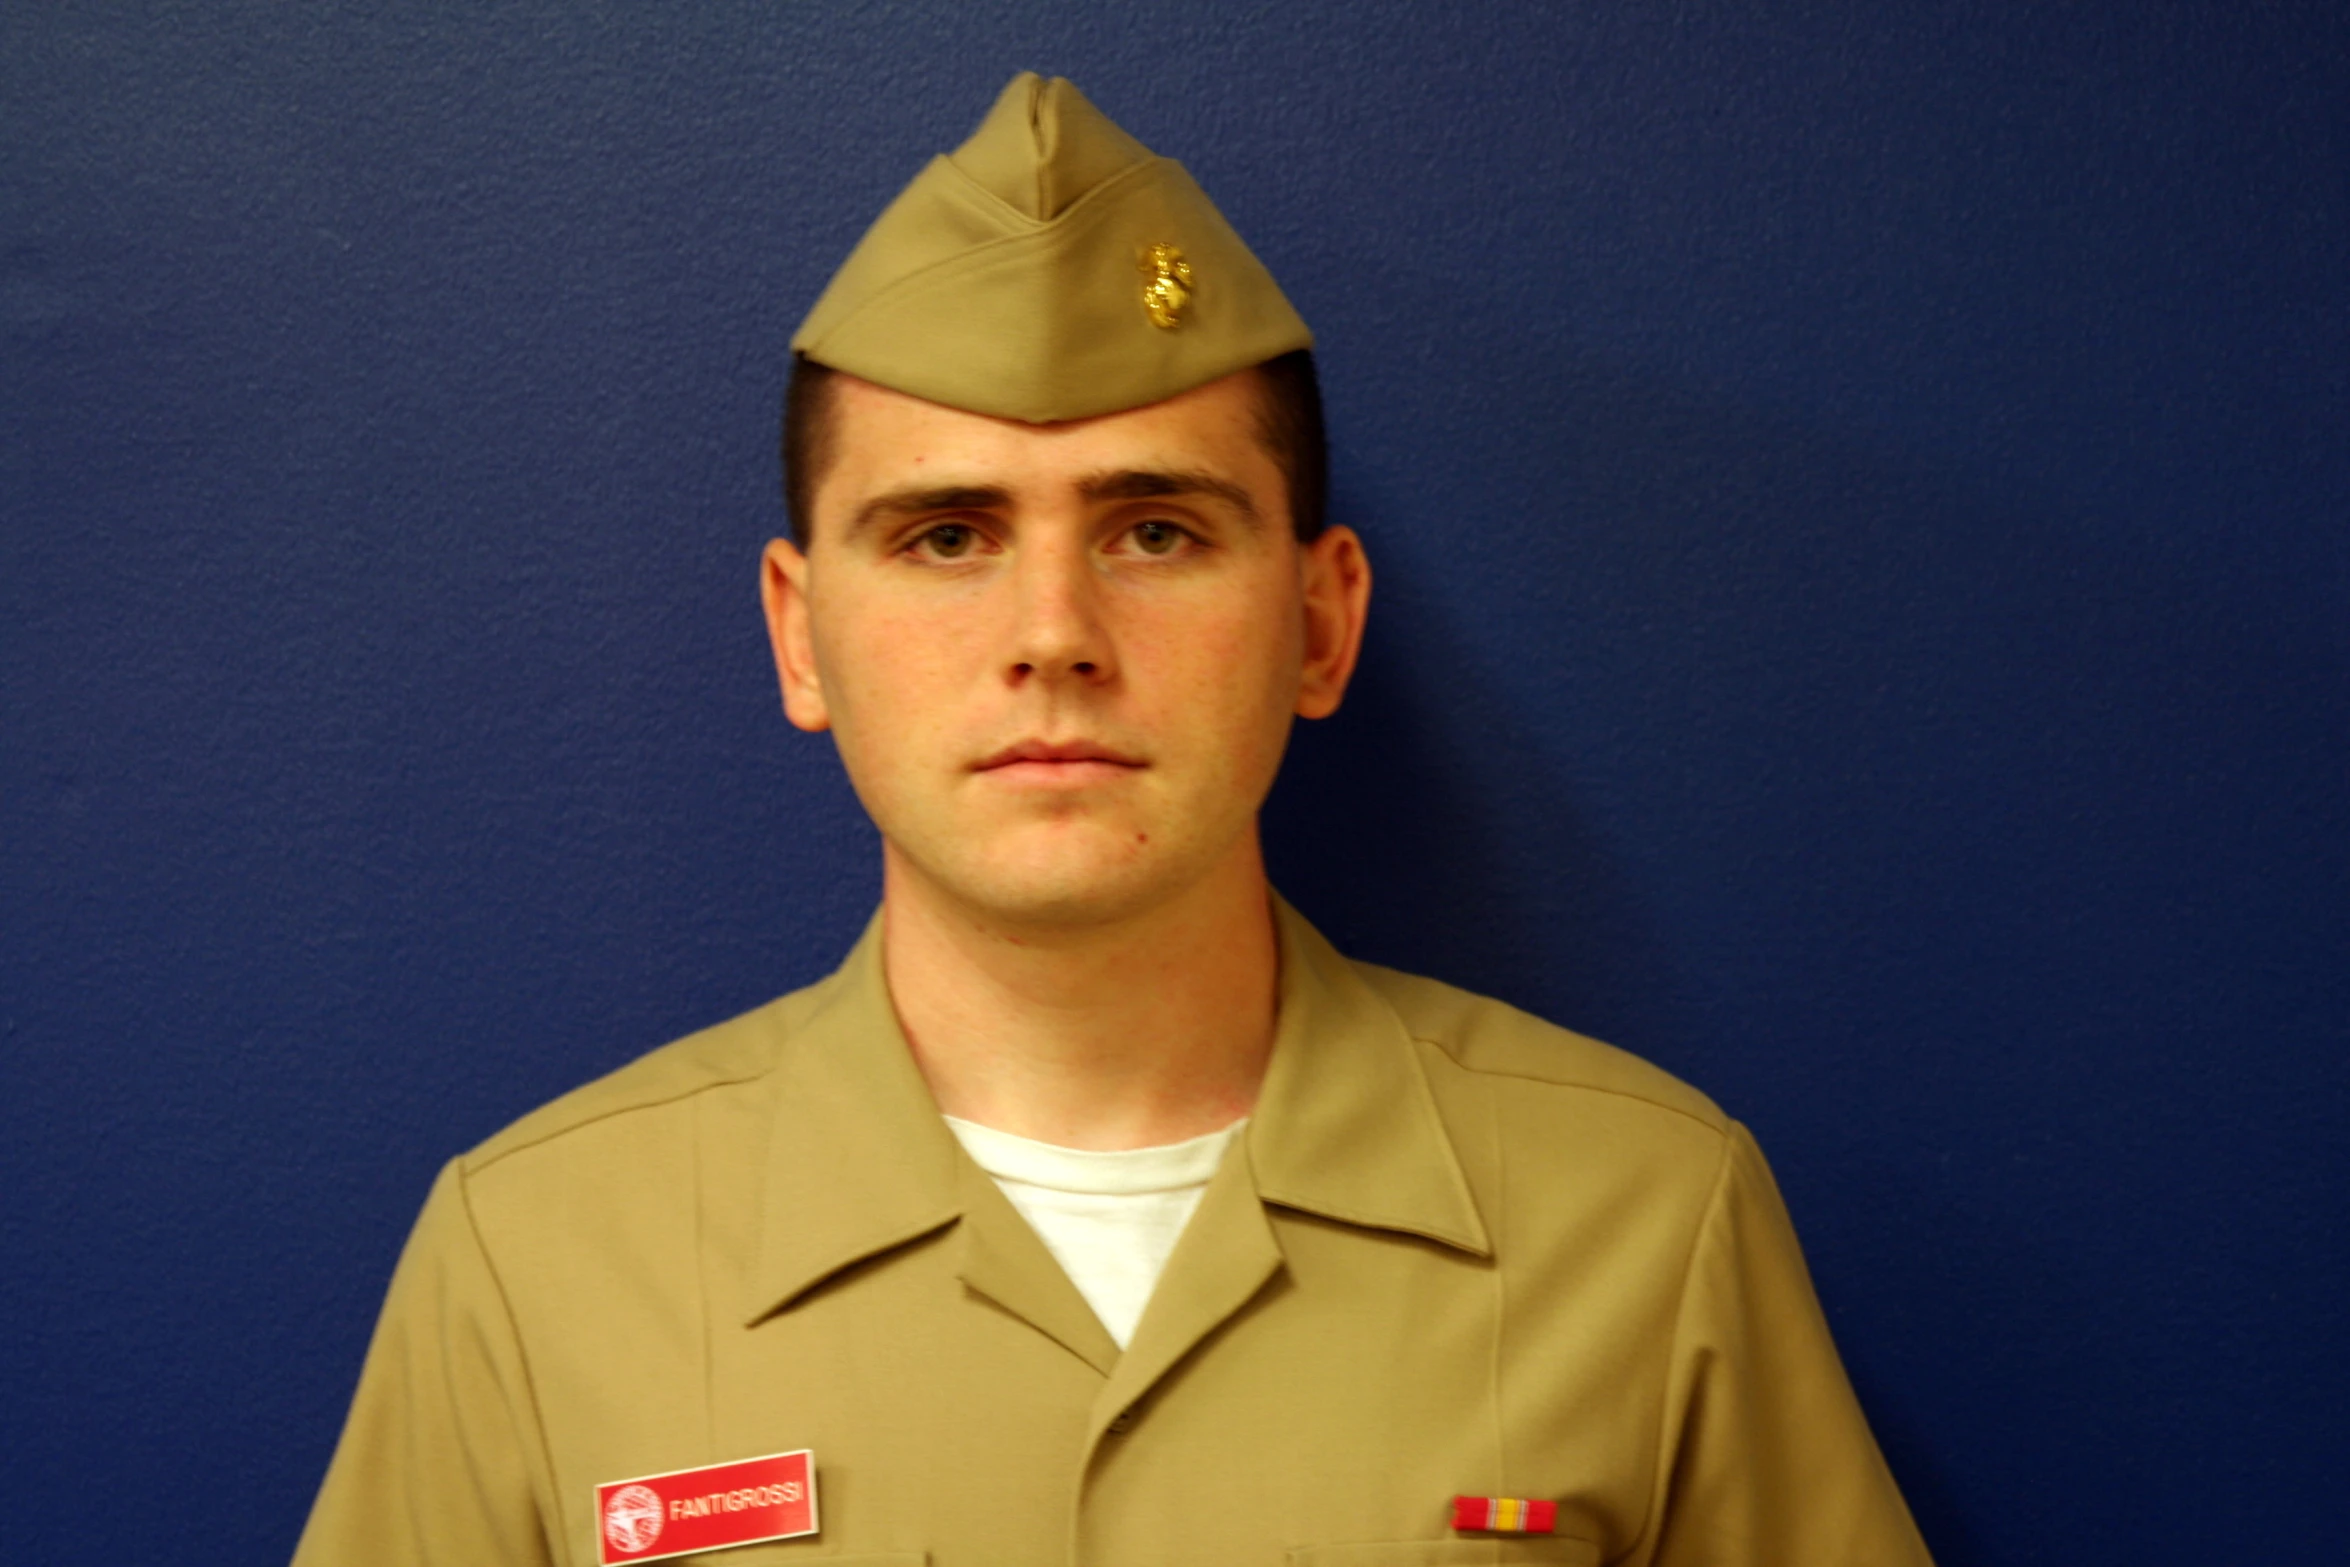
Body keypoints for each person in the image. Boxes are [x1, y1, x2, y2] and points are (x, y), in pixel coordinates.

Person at [295, 72, 1934, 1567]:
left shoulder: (1642, 1217)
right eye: (944, 536)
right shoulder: (538, 1259)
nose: (1053, 630)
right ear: (800, 633)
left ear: (1318, 621)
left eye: (1154, 529)